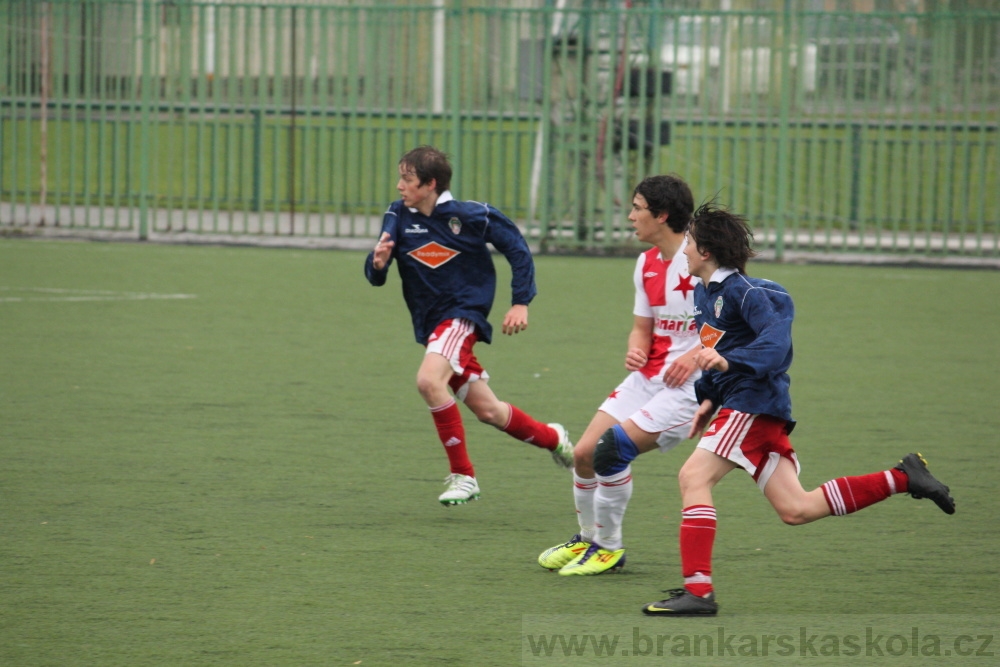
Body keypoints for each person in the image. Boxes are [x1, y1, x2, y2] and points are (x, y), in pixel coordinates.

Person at [641, 203, 956, 617]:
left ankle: (698, 592)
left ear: (706, 252)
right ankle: (903, 477)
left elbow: (775, 347)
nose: (684, 249)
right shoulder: (706, 295)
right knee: (796, 509)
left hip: (753, 406)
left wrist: (728, 366)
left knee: (692, 476)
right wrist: (708, 399)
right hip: (746, 407)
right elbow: (718, 351)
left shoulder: (748, 293)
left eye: (691, 242)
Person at [364, 145, 574, 506]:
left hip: (462, 316)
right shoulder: (397, 215)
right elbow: (375, 275)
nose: (399, 186)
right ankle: (554, 439)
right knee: (489, 411)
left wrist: (521, 301)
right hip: (433, 327)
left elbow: (518, 249)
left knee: (429, 381)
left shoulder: (473, 215)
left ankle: (464, 476)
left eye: (407, 179)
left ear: (430, 184)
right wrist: (378, 263)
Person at [537, 174, 701, 576]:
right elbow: (642, 327)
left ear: (661, 215)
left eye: (637, 208)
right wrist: (635, 346)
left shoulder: (702, 258)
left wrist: (696, 355)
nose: (630, 216)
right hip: (647, 377)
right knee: (583, 454)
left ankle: (610, 548)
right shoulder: (645, 263)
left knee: (611, 451)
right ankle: (588, 538)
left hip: (688, 389)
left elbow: (734, 326)